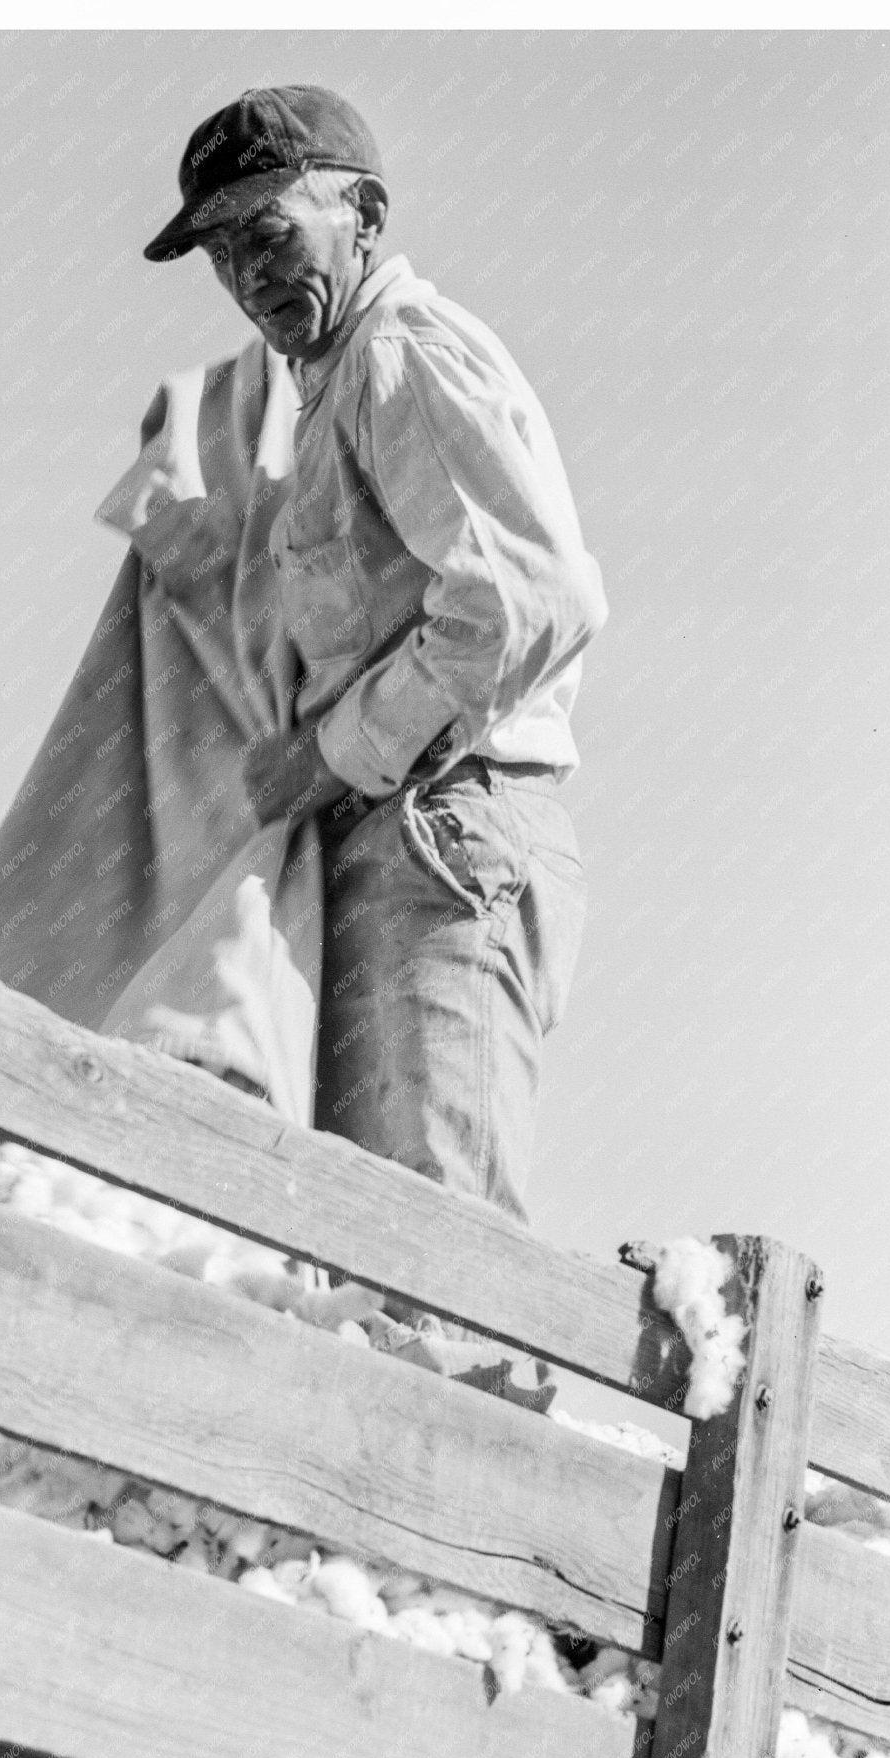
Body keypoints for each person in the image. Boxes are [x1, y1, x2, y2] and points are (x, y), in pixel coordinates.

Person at [143, 84, 606, 1224]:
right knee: (372, 1255)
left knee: (431, 1262)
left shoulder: (398, 353)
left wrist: (329, 754)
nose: (247, 278)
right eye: (220, 254)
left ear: (366, 215)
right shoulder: (324, 388)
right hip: (403, 831)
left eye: (268, 234)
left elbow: (528, 597)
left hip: (444, 825)